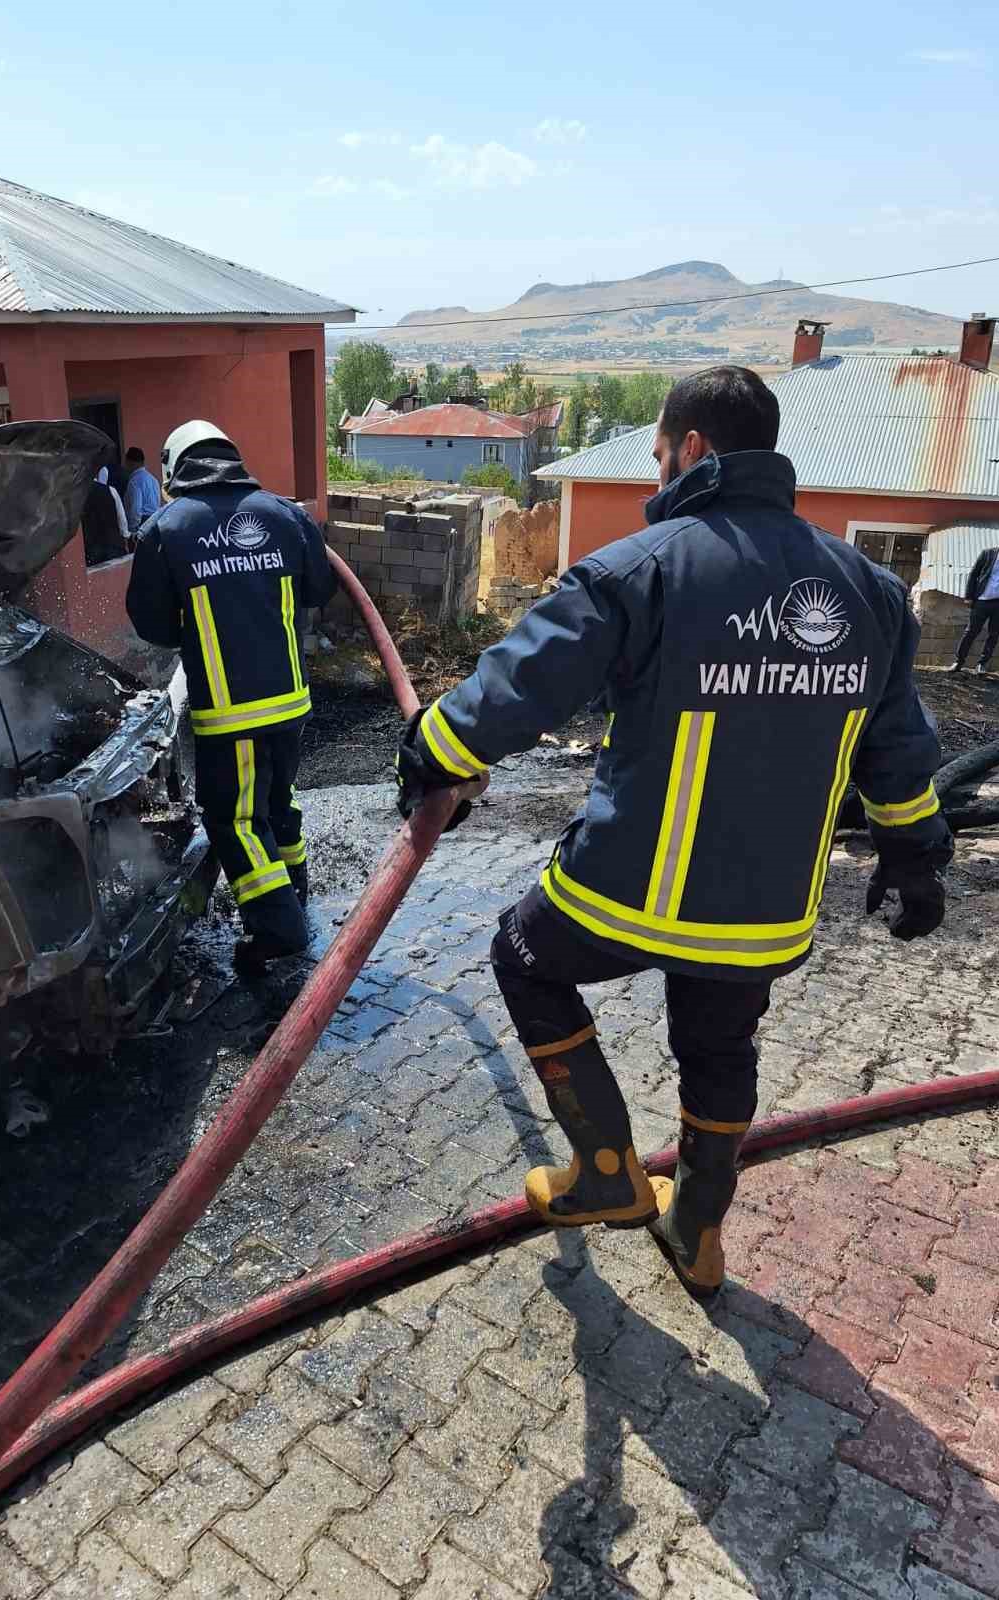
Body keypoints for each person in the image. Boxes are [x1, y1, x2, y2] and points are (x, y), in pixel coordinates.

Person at [396, 366, 953, 1302]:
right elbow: (896, 749)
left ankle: (607, 1171)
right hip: (766, 909)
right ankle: (695, 1233)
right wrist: (915, 853)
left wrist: (433, 745)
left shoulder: (644, 568)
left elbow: (524, 683)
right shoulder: (868, 590)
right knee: (721, 1048)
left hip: (630, 886)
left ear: (691, 448)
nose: (657, 474)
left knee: (524, 957)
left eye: (658, 453)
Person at [125, 420, 336, 973]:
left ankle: (280, 931)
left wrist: (199, 623)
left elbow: (150, 624)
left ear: (172, 472)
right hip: (290, 703)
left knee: (235, 821)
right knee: (276, 802)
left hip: (229, 711)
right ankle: (295, 894)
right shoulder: (285, 514)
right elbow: (321, 589)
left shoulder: (165, 530)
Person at [952, 529, 999, 675]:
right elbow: (974, 574)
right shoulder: (987, 554)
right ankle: (958, 661)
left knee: (993, 635)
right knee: (970, 632)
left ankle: (981, 664)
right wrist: (969, 596)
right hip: (982, 601)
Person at [80, 468, 128, 565]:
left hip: (92, 554)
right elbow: (122, 523)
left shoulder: (79, 496)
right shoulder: (111, 490)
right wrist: (125, 539)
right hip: (115, 549)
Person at [123, 447, 161, 533]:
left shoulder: (134, 481)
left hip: (142, 525)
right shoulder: (153, 479)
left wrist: (132, 529)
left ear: (129, 462)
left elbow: (135, 510)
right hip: (156, 521)